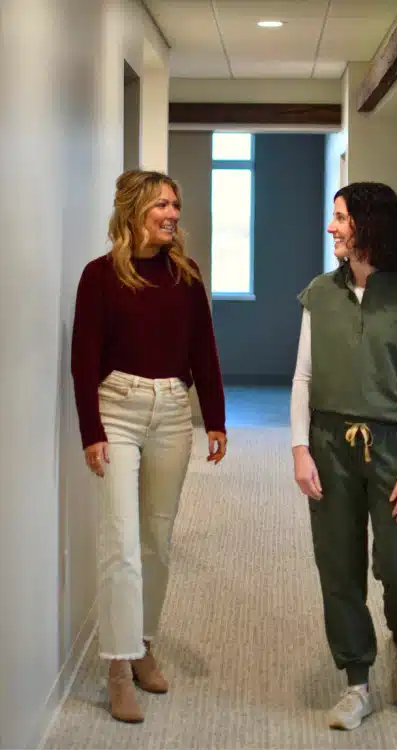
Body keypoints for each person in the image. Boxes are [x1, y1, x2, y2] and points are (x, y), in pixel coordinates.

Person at [71, 169, 227, 724]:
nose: (172, 214)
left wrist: (215, 418)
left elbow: (203, 346)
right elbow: (83, 358)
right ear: (135, 209)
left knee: (157, 539)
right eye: (162, 204)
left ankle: (143, 644)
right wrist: (91, 431)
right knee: (121, 541)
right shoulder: (99, 276)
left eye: (175, 205)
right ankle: (117, 665)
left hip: (172, 412)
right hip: (117, 408)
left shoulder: (186, 274)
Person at [291, 182, 397, 730]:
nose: (331, 227)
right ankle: (356, 681)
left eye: (340, 218)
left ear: (368, 224)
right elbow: (303, 377)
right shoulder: (319, 293)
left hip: (392, 450)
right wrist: (300, 448)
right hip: (330, 444)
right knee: (338, 564)